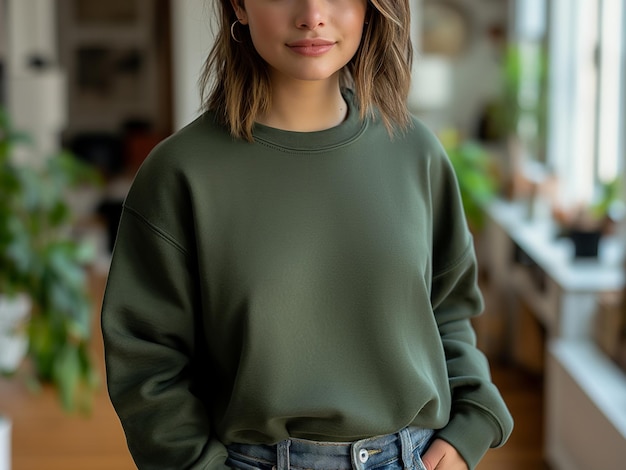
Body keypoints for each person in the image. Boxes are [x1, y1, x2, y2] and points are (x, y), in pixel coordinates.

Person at [101, 1, 514, 469]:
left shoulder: (416, 152)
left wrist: (469, 426)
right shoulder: (179, 173)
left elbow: (450, 312)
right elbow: (147, 358)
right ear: (238, 4)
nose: (312, 14)